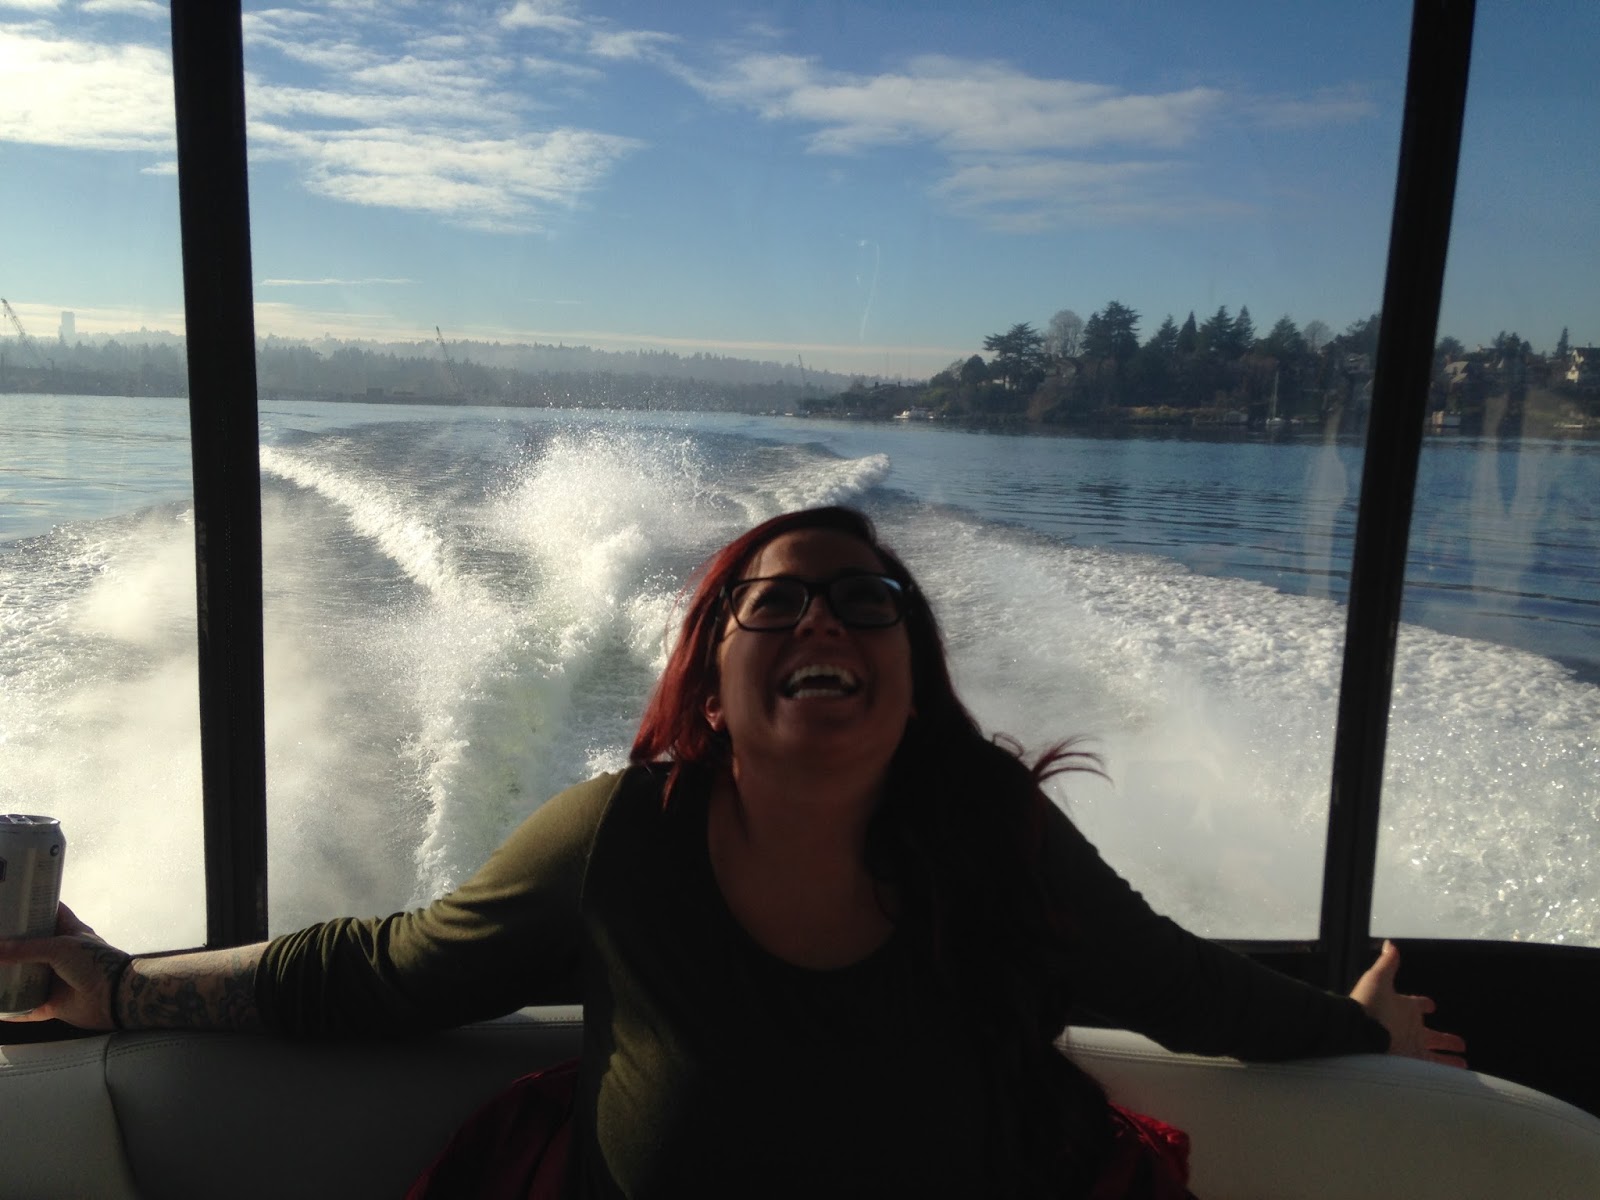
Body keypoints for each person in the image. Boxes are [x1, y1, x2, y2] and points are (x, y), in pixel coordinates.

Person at [2, 505, 1463, 1197]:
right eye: (776, 603)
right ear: (711, 681)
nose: (826, 617)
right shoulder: (621, 839)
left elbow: (1181, 988)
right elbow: (387, 970)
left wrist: (1356, 1033)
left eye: (869, 601)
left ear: (913, 675)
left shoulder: (994, 831)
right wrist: (123, 990)